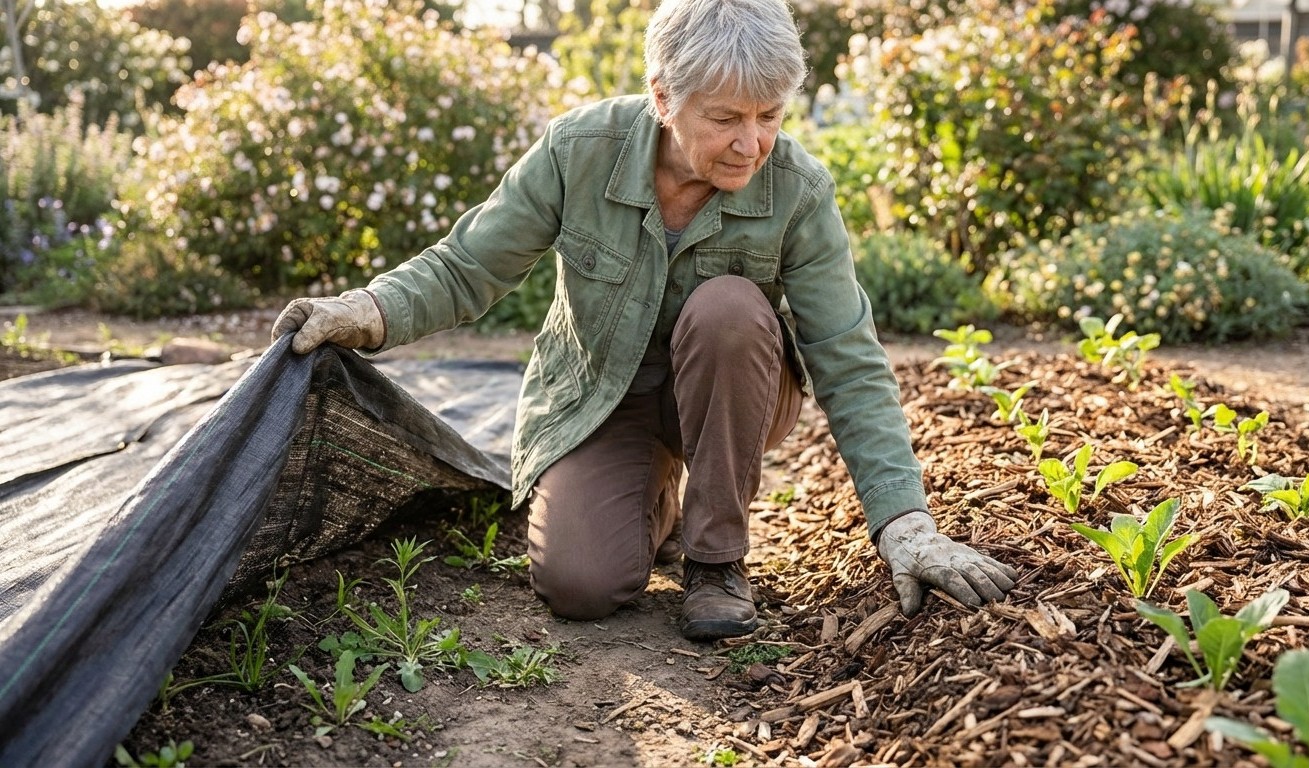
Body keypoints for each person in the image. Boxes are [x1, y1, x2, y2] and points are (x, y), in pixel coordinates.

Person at [271, 0, 1017, 641]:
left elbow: (848, 356)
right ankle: (656, 497)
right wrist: (365, 311)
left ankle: (716, 561)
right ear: (663, 97)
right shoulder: (579, 151)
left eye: (769, 116)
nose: (752, 143)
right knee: (581, 585)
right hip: (605, 394)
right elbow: (469, 266)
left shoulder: (797, 190)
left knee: (729, 308)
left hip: (734, 387)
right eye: (725, 118)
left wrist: (905, 525)